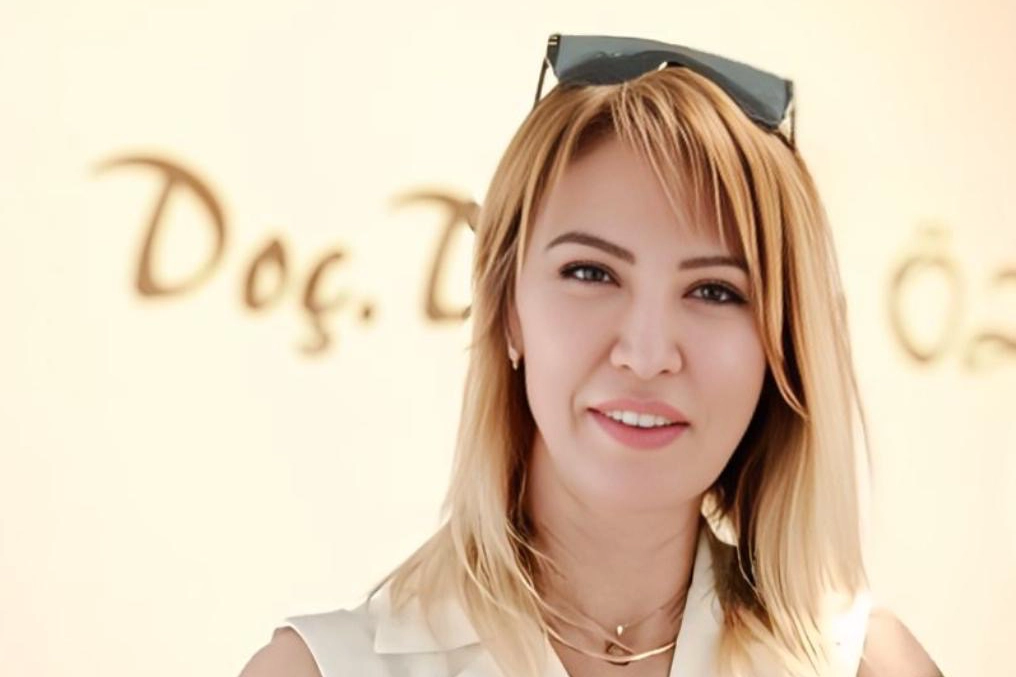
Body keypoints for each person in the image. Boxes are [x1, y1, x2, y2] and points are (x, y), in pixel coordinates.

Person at [240, 34, 942, 677]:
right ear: (507, 307)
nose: (647, 354)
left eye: (714, 290)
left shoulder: (870, 666)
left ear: (781, 341)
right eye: (591, 273)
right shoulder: (315, 671)